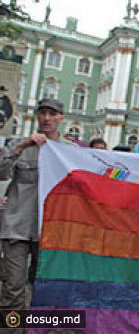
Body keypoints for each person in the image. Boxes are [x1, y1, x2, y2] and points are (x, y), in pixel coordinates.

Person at [0, 99, 74, 310]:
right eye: (42, 113)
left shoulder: (70, 151)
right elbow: (1, 172)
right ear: (37, 116)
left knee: (42, 287)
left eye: (52, 114)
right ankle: (10, 329)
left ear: (61, 117)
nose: (47, 118)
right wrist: (23, 145)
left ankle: (34, 328)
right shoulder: (19, 145)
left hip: (51, 231)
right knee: (13, 286)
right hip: (17, 227)